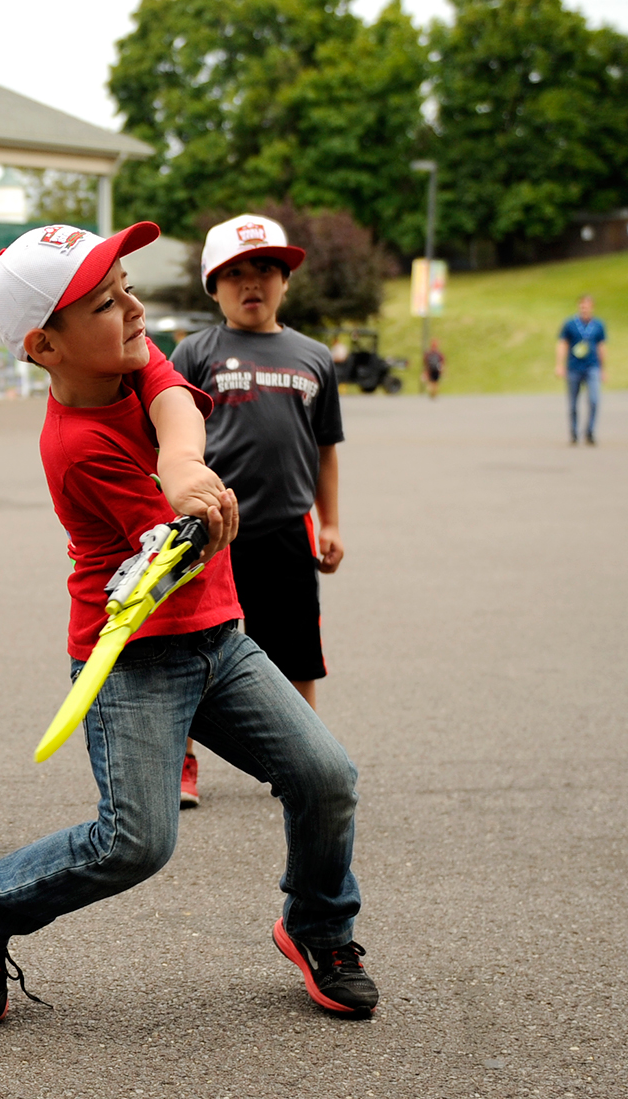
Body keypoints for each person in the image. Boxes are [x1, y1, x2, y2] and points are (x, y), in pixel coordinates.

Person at [0, 222, 375, 1027]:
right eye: (108, 302)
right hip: (135, 660)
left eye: (129, 287)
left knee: (327, 779)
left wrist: (182, 464)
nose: (134, 309)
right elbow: (184, 541)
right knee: (135, 844)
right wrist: (200, 518)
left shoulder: (129, 359)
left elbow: (172, 399)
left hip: (219, 639)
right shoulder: (76, 446)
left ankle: (318, 925)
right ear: (46, 345)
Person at [169, 213, 346, 809]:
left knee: (295, 651)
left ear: (286, 281)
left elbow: (325, 451)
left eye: (266, 270)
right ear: (212, 287)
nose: (253, 283)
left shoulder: (314, 357)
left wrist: (332, 522)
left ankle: (305, 767)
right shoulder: (196, 352)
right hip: (211, 529)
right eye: (236, 273)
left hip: (288, 528)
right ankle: (182, 764)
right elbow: (170, 440)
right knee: (193, 650)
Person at [556, 294, 606, 445]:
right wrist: (559, 364)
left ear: (592, 307)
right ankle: (574, 433)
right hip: (574, 367)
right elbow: (563, 344)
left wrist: (604, 368)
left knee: (594, 400)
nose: (584, 308)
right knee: (573, 403)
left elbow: (601, 346)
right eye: (582, 305)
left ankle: (590, 431)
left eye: (587, 305)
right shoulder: (570, 324)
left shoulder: (598, 325)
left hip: (592, 366)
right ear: (579, 306)